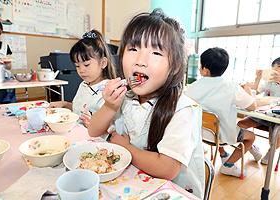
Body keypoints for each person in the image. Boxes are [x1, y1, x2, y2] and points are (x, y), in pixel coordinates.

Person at [88, 9, 205, 199]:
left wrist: (126, 148)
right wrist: (109, 107)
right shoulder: (125, 97)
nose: (140, 61)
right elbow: (94, 131)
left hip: (171, 191)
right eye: (133, 49)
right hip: (132, 183)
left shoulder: (181, 110)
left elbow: (167, 168)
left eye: (156, 52)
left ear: (175, 66)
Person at [186, 47, 261, 178]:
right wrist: (246, 89)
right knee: (251, 137)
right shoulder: (231, 86)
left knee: (217, 124)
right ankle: (229, 165)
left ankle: (223, 154)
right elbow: (253, 106)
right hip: (221, 135)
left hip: (199, 133)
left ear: (205, 70)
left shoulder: (192, 87)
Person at [49, 29, 116, 129]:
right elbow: (79, 109)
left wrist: (94, 124)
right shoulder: (84, 84)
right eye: (77, 66)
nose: (81, 70)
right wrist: (64, 104)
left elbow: (113, 127)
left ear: (103, 63)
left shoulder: (108, 90)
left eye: (86, 65)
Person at [238, 57, 280, 165]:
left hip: (277, 118)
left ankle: (271, 152)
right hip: (263, 114)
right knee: (240, 125)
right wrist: (258, 79)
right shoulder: (268, 82)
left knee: (276, 134)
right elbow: (254, 92)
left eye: (278, 66)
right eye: (273, 66)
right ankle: (252, 147)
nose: (274, 68)